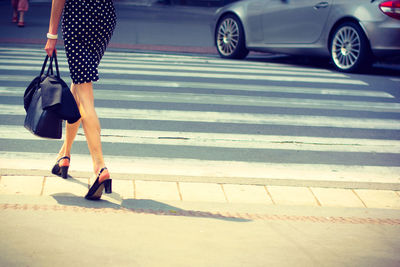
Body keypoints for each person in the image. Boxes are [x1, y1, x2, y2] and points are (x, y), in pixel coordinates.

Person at [44, 0, 117, 200]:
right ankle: (64, 156)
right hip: (104, 17)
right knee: (78, 85)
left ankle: (99, 167)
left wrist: (51, 35)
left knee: (85, 95)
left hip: (79, 18)